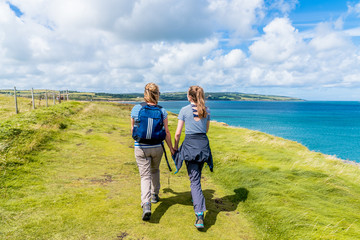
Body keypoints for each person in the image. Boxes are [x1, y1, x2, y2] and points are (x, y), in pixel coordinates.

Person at [130, 83, 174, 221]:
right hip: (157, 147)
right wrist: (171, 149)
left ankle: (146, 204)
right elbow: (166, 132)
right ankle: (155, 195)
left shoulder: (137, 108)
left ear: (145, 93)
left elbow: (132, 129)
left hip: (141, 147)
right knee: (155, 170)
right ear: (157, 94)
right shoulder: (162, 111)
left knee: (145, 176)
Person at [173, 85, 213, 229]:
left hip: (190, 145)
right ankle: (196, 198)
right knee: (197, 175)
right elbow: (206, 130)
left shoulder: (184, 110)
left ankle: (199, 215)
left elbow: (177, 133)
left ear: (189, 96)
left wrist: (175, 147)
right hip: (203, 145)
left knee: (194, 180)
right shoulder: (207, 110)